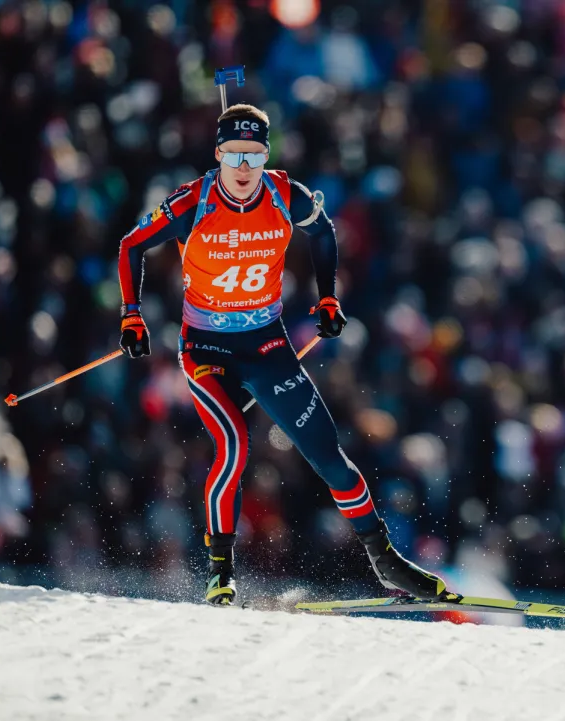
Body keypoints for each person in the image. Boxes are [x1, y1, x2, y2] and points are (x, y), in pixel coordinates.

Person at [116, 103, 446, 606]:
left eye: (254, 155)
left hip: (267, 344)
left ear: (266, 155)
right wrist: (130, 314)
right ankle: (220, 573)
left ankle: (388, 564)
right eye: (234, 156)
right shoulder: (192, 202)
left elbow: (324, 233)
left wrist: (328, 297)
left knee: (330, 457)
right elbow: (130, 246)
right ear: (218, 155)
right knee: (235, 445)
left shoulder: (283, 193)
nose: (244, 168)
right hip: (207, 349)